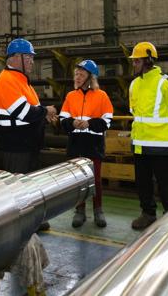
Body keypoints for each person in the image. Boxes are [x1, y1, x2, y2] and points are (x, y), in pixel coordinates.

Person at [128, 42, 168, 230]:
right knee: (143, 183)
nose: (134, 64)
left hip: (160, 146)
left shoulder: (167, 83)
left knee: (165, 184)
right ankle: (148, 214)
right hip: (139, 145)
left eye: (136, 61)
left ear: (148, 60)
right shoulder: (134, 84)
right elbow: (134, 111)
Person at [59, 59, 113, 228]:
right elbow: (62, 119)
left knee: (95, 179)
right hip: (76, 143)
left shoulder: (102, 96)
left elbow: (107, 121)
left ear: (91, 77)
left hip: (94, 144)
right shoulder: (70, 96)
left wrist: (90, 123)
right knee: (78, 181)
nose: (78, 77)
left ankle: (98, 210)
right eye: (76, 74)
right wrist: (73, 123)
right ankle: (80, 211)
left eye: (81, 74)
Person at [0, 38, 58, 174]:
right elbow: (24, 113)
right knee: (19, 188)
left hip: (27, 145)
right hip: (17, 147)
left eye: (32, 58)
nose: (32, 62)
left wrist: (44, 115)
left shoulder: (21, 80)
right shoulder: (7, 80)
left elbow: (33, 110)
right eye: (28, 57)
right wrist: (46, 110)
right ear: (16, 57)